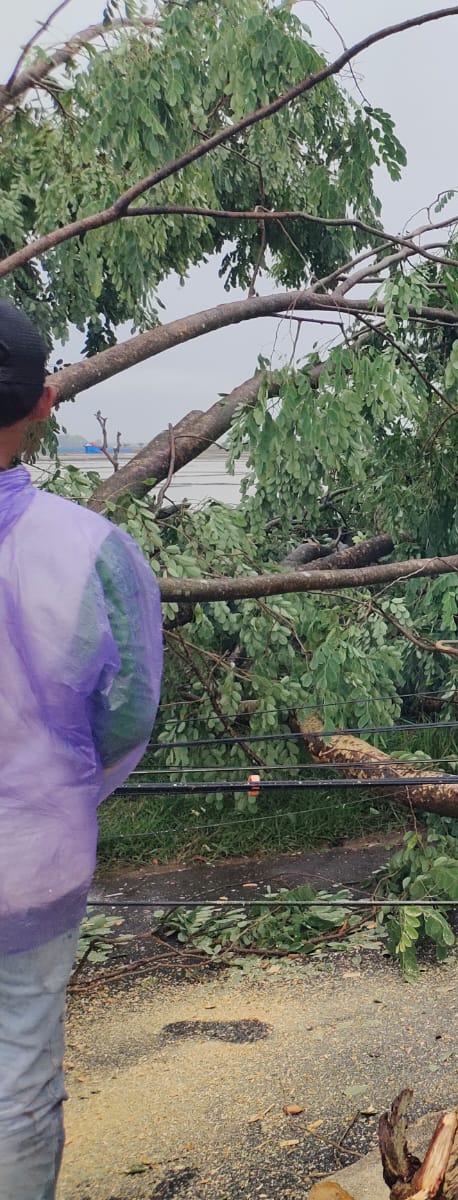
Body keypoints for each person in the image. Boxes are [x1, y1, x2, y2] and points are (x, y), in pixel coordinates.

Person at [0, 298, 163, 1200]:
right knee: (19, 1075)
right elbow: (127, 713)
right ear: (47, 401)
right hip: (31, 865)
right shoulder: (93, 550)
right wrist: (62, 790)